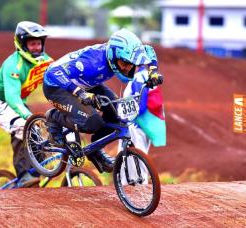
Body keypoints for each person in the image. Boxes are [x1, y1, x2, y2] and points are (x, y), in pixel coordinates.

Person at [42, 28, 163, 173]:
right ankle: (54, 118)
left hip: (88, 84)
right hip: (57, 87)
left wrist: (153, 71)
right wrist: (79, 93)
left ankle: (95, 150)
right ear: (113, 56)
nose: (127, 68)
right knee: (92, 123)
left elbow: (148, 50)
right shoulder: (91, 62)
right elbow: (53, 72)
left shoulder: (118, 55)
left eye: (131, 64)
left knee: (116, 116)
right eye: (124, 63)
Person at [0, 21, 53, 187]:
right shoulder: (13, 65)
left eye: (39, 43)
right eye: (32, 43)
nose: (36, 47)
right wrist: (29, 117)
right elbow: (12, 98)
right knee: (22, 126)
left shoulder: (45, 62)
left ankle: (36, 171)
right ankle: (23, 176)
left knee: (36, 133)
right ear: (22, 44)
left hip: (18, 103)